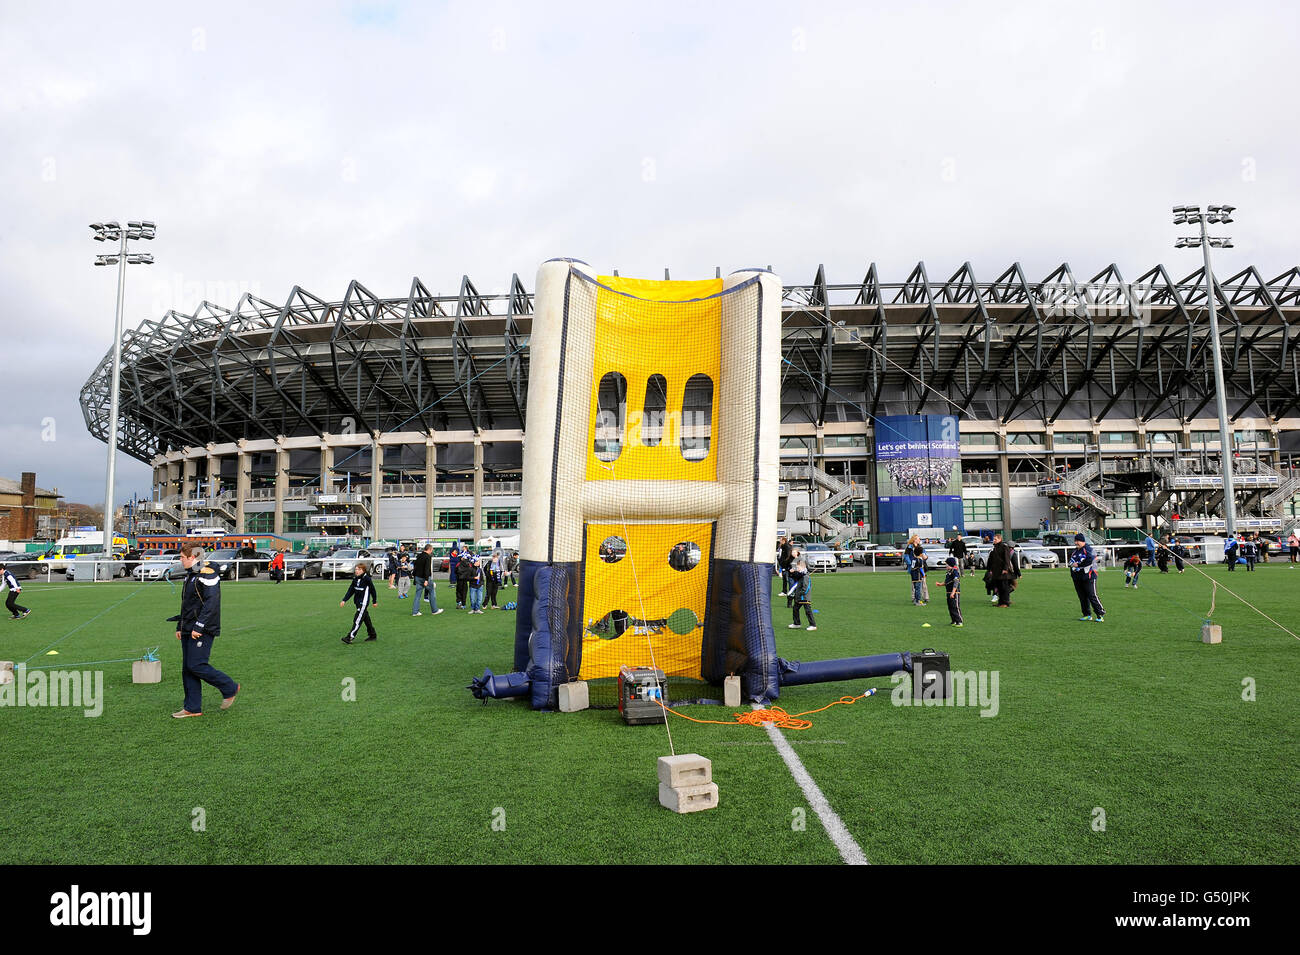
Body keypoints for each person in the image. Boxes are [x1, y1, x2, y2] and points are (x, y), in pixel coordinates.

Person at [168, 544, 239, 717]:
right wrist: (181, 626)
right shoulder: (192, 574)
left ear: (192, 558)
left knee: (196, 665)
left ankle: (229, 687)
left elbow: (211, 603)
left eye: (182, 557)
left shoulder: (207, 574)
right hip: (189, 627)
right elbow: (188, 604)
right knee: (187, 668)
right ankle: (192, 708)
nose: (180, 560)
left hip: (203, 628)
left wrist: (199, 626)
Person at [1068, 533, 1106, 623]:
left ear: (1083, 541)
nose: (1076, 542)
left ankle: (1100, 614)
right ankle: (1087, 615)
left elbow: (1091, 559)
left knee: (1092, 595)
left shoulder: (1088, 549)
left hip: (1088, 576)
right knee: (1082, 597)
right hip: (1077, 577)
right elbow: (1071, 561)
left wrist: (1079, 564)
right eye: (1075, 541)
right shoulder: (1075, 551)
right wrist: (1072, 566)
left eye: (1078, 541)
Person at [340, 562, 379, 644]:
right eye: (356, 569)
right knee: (365, 618)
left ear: (363, 570)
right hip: (357, 602)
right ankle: (372, 635)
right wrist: (344, 600)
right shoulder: (355, 579)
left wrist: (374, 601)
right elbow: (351, 590)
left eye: (359, 569)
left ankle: (350, 637)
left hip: (363, 603)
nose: (357, 571)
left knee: (357, 619)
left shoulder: (367, 579)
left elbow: (373, 590)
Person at [410, 544, 443, 617]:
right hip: (424, 578)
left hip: (418, 577)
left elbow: (415, 567)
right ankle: (434, 610)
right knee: (432, 591)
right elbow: (427, 569)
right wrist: (426, 580)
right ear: (430, 549)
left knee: (418, 595)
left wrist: (415, 577)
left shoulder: (419, 555)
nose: (432, 551)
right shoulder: (428, 557)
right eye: (432, 550)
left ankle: (415, 612)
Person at [786, 558, 816, 631]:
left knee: (808, 611)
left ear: (803, 567)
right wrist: (791, 572)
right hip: (799, 597)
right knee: (795, 609)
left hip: (804, 597)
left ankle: (813, 625)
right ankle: (797, 623)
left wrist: (799, 594)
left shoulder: (805, 576)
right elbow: (794, 576)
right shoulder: (801, 575)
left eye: (798, 567)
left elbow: (806, 588)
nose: (797, 569)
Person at [985, 533, 1014, 608]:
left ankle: (1006, 603)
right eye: (994, 539)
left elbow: (1007, 559)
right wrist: (990, 570)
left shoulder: (1004, 547)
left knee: (1004, 588)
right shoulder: (994, 548)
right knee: (999, 588)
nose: (994, 540)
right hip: (996, 572)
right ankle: (1000, 602)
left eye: (995, 539)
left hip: (1003, 571)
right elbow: (992, 560)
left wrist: (1005, 569)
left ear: (1000, 539)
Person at [943, 556, 963, 627]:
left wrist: (953, 592)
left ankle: (959, 621)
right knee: (950, 607)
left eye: (947, 564)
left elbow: (956, 582)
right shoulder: (948, 573)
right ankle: (954, 620)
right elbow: (947, 582)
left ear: (950, 565)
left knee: (955, 606)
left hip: (954, 593)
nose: (946, 566)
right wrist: (941, 584)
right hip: (948, 592)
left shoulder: (955, 572)